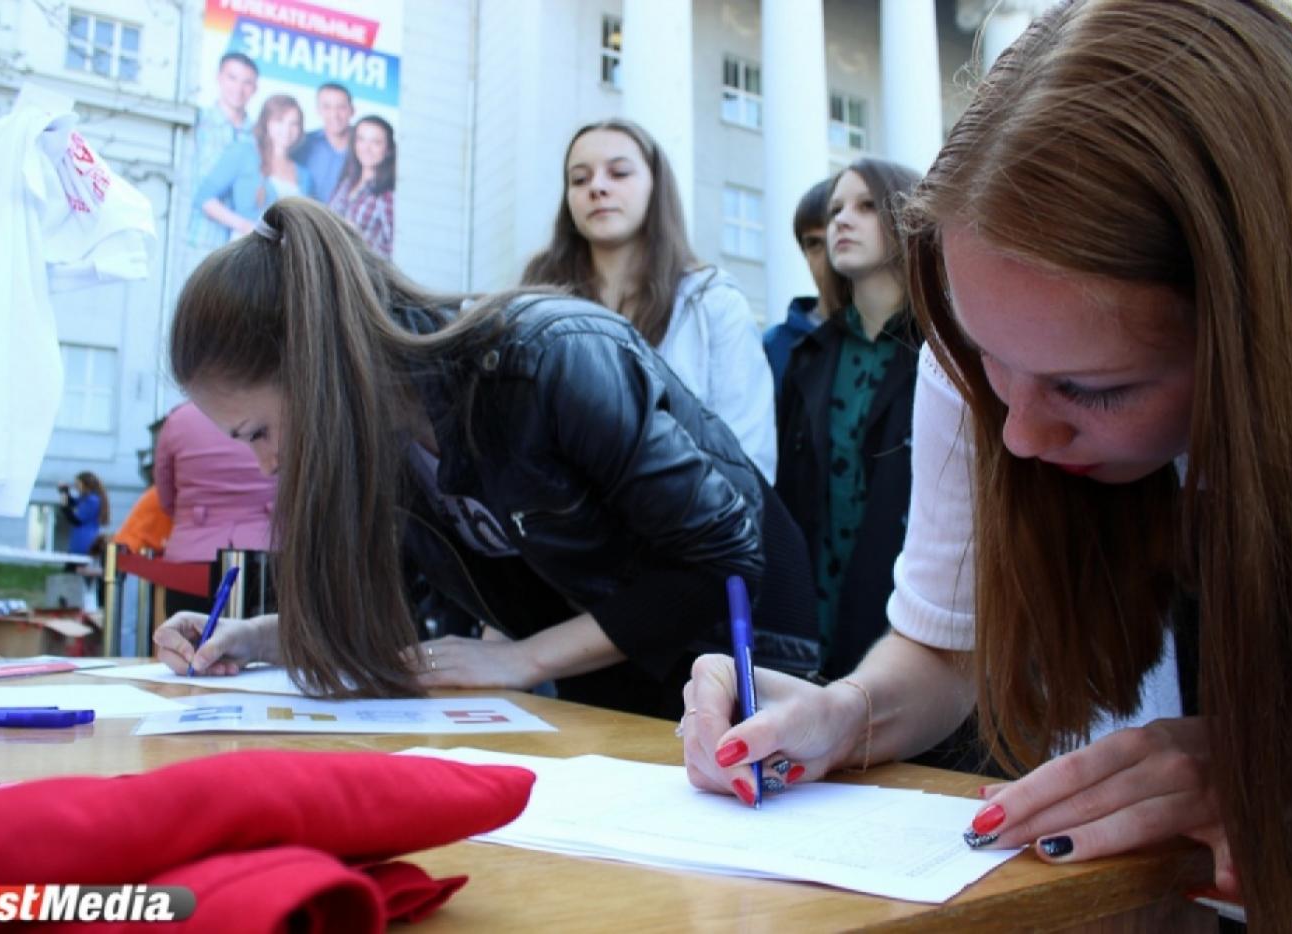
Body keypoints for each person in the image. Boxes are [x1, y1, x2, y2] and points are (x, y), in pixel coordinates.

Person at [679, 1, 1292, 928]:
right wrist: (846, 714)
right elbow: (947, 643)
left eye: (1089, 390)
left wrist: (1277, 779)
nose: (1016, 437)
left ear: (1261, 327)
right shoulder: (985, 344)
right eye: (983, 362)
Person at [154, 197, 817, 719]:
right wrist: (248, 637)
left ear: (316, 366)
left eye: (257, 432)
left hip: (755, 659)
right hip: (628, 681)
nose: (269, 466)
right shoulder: (390, 448)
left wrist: (522, 660)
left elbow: (723, 559)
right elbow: (399, 618)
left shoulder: (547, 358)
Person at [521, 119, 777, 480]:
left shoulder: (713, 303)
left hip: (689, 529)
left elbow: (749, 461)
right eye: (579, 179)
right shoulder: (536, 303)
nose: (597, 187)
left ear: (656, 186)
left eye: (619, 173)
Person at [775, 159, 921, 682]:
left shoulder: (947, 353)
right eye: (836, 209)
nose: (841, 220)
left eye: (865, 206)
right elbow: (788, 500)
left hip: (909, 624)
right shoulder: (807, 357)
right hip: (813, 620)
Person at [154, 401, 278, 617]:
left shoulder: (179, 419)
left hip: (192, 555)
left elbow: (165, 497)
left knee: (189, 643)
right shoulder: (272, 409)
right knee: (266, 645)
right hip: (268, 548)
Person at [761, 178, 847, 398]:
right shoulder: (773, 347)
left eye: (841, 239)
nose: (830, 254)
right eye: (815, 243)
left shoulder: (907, 343)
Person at [193, 94, 313, 239]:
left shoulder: (305, 175)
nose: (287, 129)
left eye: (294, 123)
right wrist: (246, 226)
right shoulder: (244, 153)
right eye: (279, 121)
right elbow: (204, 198)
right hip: (247, 249)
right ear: (266, 122)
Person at [186, 52, 259, 250]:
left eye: (247, 82)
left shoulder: (259, 137)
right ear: (219, 78)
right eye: (232, 78)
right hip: (197, 238)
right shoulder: (197, 123)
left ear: (255, 88)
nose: (238, 88)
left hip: (240, 247)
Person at [327, 115, 396, 257]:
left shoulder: (387, 197)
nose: (366, 148)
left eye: (376, 142)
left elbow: (395, 251)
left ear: (388, 150)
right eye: (361, 139)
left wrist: (360, 239)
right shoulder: (346, 184)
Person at [292, 83, 355, 203]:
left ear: (352, 110)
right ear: (318, 110)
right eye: (327, 107)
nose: (334, 115)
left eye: (341, 107)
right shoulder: (302, 143)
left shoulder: (366, 149)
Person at [58, 471, 108, 557]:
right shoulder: (85, 498)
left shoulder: (92, 500)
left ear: (86, 485)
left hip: (84, 543)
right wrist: (64, 491)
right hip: (79, 541)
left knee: (73, 569)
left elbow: (76, 520)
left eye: (78, 484)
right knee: (70, 569)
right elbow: (71, 502)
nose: (76, 487)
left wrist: (64, 508)